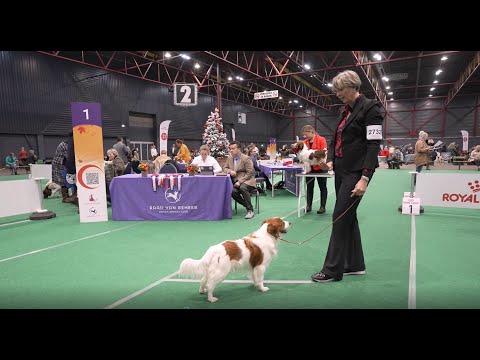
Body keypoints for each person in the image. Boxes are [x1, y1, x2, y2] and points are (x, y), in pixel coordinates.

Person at [310, 70, 384, 283]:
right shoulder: (344, 112)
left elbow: (373, 146)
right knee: (348, 218)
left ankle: (332, 270)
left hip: (356, 173)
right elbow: (335, 140)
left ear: (353, 86)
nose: (338, 94)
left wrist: (365, 178)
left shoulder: (371, 108)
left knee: (340, 218)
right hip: (341, 170)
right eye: (336, 91)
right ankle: (355, 265)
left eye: (340, 90)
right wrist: (331, 159)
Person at [291, 125, 328, 214]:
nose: (305, 136)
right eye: (304, 134)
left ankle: (322, 207)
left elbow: (324, 151)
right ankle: (308, 206)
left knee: (322, 187)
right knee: (309, 187)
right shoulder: (304, 142)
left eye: (306, 134)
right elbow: (299, 151)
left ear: (312, 132)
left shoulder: (321, 139)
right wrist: (294, 147)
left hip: (320, 168)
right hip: (309, 169)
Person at [224, 141, 256, 220]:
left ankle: (250, 210)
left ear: (239, 149)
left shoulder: (246, 158)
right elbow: (224, 168)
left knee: (242, 187)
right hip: (235, 182)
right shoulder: (229, 158)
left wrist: (240, 181)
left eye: (233, 148)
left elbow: (250, 173)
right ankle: (248, 205)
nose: (231, 150)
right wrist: (230, 171)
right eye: (230, 149)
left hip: (247, 180)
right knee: (233, 192)